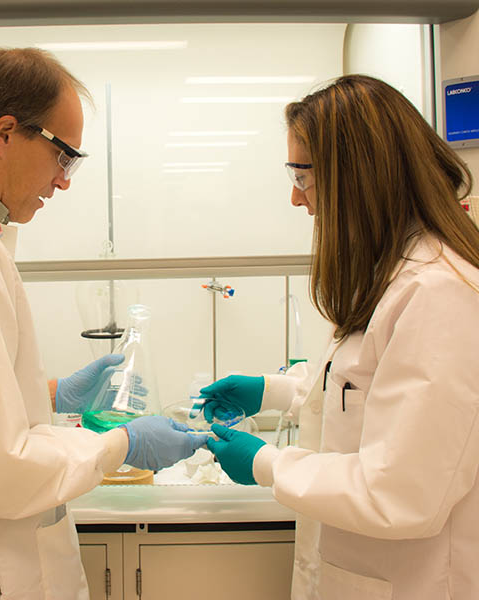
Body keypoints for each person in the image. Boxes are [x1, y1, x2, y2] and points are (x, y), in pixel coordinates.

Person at [0, 47, 206, 600]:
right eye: (63, 156)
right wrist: (121, 446)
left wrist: (52, 394)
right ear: (6, 133)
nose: (63, 182)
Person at [204, 74, 479, 599]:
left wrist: (266, 463)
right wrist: (275, 390)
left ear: (356, 175)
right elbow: (370, 389)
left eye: (302, 176)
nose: (295, 197)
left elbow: (402, 493)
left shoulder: (439, 293)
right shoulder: (393, 272)